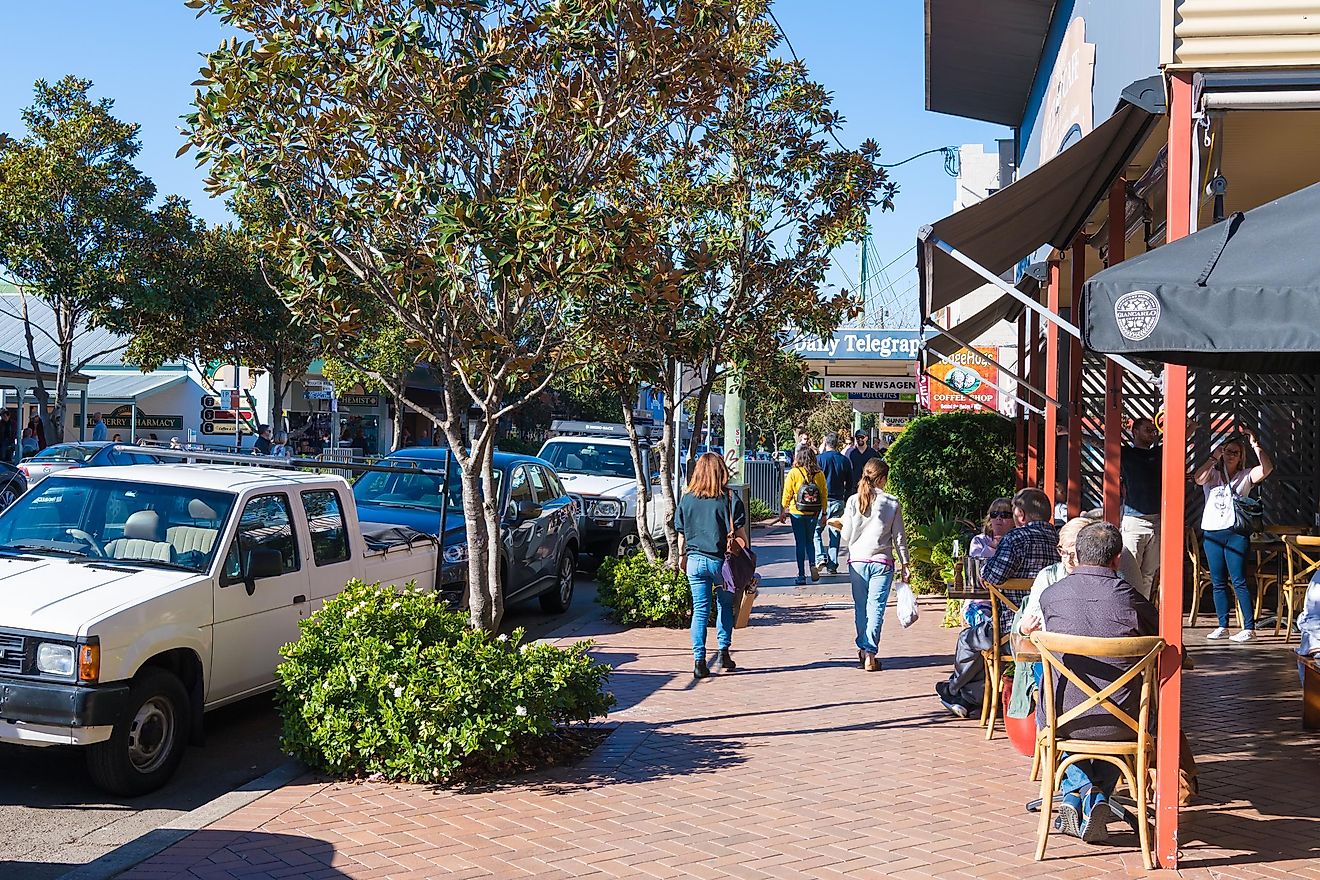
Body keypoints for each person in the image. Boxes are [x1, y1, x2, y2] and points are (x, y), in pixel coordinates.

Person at [1026, 521, 1157, 843]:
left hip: (1063, 722)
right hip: (1124, 722)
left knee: (1051, 702)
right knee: (1131, 706)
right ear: (1117, 560)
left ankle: (1080, 791)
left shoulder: (1053, 596)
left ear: (1075, 555)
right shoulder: (1131, 599)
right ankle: (1097, 794)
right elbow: (1161, 642)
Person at [936, 488, 1059, 718]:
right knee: (981, 642)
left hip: (1011, 630)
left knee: (969, 638)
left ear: (1020, 515)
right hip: (1050, 629)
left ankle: (954, 690)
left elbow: (989, 577)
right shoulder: (1060, 539)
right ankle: (969, 697)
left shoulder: (1016, 538)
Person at [1193, 430, 1273, 642]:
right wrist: (1213, 457)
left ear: (1241, 457)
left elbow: (1267, 469)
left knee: (1238, 580)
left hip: (1235, 532)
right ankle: (1222, 625)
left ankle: (1248, 627)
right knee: (1217, 581)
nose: (1230, 455)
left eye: (1235, 452)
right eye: (1227, 451)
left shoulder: (1245, 475)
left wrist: (1255, 444)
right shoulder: (1213, 475)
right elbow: (1198, 479)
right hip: (1212, 531)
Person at [674, 452, 748, 680]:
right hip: (722, 564)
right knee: (725, 606)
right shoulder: (729, 499)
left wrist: (681, 556)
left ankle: (699, 661)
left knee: (700, 610)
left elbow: (681, 534)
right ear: (722, 471)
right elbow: (742, 538)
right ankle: (724, 652)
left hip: (694, 561)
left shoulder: (687, 499)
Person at [839, 458, 909, 671]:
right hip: (882, 561)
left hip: (857, 561)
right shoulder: (892, 503)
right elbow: (898, 537)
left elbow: (846, 535)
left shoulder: (853, 501)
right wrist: (905, 563)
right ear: (882, 478)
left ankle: (863, 648)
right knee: (876, 608)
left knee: (861, 607)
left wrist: (839, 525)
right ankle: (870, 652)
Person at [1119, 416, 1162, 598]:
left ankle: (1142, 613)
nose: (1152, 434)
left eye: (1154, 431)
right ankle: (1128, 608)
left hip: (1156, 519)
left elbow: (1188, 431)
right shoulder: (1126, 453)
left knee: (1149, 574)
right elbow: (1101, 443)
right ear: (1134, 432)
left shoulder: (1158, 453)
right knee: (1129, 572)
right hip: (1134, 519)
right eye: (1147, 430)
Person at [779, 447, 828, 585]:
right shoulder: (819, 474)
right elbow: (824, 494)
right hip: (813, 512)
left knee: (800, 543)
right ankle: (813, 564)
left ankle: (801, 575)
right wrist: (824, 513)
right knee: (810, 541)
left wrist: (783, 509)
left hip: (797, 512)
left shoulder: (794, 473)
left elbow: (787, 492)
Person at [814, 433, 853, 575]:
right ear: (838, 444)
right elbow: (850, 483)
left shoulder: (819, 460)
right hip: (838, 500)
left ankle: (819, 557)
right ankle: (832, 563)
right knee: (834, 533)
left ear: (826, 443)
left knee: (816, 531)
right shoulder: (844, 461)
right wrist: (846, 498)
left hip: (821, 502)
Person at [845, 430, 879, 495]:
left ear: (866, 438)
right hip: (853, 486)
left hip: (869, 486)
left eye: (862, 437)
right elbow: (846, 468)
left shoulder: (872, 453)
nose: (860, 439)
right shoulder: (849, 452)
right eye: (858, 437)